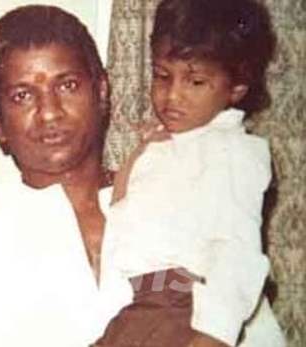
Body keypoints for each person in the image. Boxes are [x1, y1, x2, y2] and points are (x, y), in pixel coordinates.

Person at [94, 0, 285, 346]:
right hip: (141, 309)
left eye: (195, 81)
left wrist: (214, 335)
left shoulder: (234, 152)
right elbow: (121, 216)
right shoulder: (165, 147)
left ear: (236, 88)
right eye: (162, 76)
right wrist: (142, 152)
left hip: (190, 311)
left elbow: (236, 249)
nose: (172, 95)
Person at [0, 5, 132, 346]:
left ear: (101, 92)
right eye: (23, 95)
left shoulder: (163, 198)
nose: (49, 112)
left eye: (68, 85)